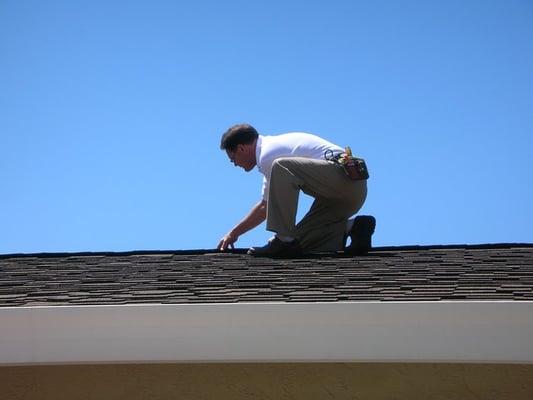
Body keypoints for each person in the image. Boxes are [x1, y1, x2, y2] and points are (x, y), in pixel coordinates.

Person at [217, 123, 375, 257]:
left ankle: (283, 239)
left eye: (233, 159)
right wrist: (234, 233)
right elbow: (266, 206)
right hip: (351, 191)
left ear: (242, 148)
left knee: (287, 243)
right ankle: (354, 227)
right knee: (301, 243)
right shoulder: (270, 156)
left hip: (343, 178)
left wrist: (281, 239)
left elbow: (269, 203)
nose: (235, 164)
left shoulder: (269, 155)